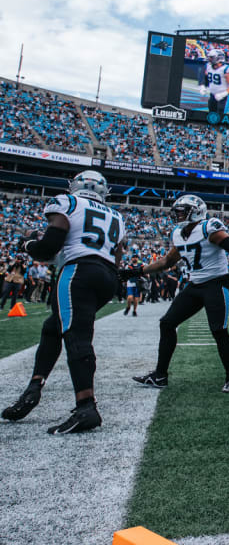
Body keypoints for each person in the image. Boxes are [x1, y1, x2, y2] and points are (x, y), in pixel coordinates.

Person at [1, 171, 125, 433]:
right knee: (53, 327)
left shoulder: (68, 202)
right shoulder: (117, 216)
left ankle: (86, 406)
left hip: (79, 272)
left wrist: (27, 244)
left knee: (75, 335)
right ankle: (34, 387)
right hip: (107, 277)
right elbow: (117, 257)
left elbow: (48, 248)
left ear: (75, 186)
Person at [126, 194, 229, 393]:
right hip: (195, 285)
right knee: (167, 323)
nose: (178, 214)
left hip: (215, 284)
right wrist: (137, 271)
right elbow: (166, 262)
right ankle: (160, 375)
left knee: (218, 330)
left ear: (195, 211)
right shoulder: (178, 233)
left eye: (182, 211)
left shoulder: (208, 227)